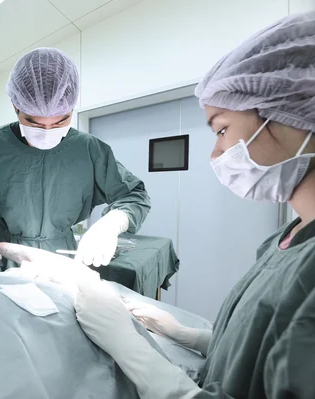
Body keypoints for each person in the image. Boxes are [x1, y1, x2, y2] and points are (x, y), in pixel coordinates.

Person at [75, 12, 315, 399]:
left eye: (221, 129)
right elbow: (254, 347)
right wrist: (187, 334)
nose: (216, 152)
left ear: (294, 112)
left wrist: (129, 347)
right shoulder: (288, 237)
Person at [0, 48, 150, 271]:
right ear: (15, 106)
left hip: (62, 259)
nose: (47, 131)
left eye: (60, 121)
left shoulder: (89, 150)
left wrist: (112, 223)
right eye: (34, 123)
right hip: (8, 258)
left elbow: (135, 195)